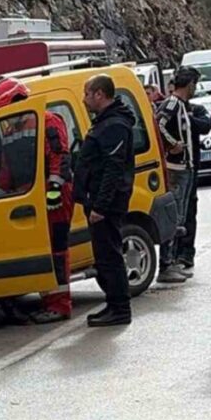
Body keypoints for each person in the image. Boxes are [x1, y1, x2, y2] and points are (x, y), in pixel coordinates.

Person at [0, 77, 75, 323]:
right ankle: (49, 300)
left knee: (57, 251)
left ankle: (60, 305)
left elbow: (60, 156)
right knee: (41, 251)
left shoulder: (47, 120)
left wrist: (54, 191)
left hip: (53, 197)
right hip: (30, 199)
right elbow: (7, 170)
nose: (4, 114)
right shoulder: (10, 130)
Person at [74, 74, 135, 327]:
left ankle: (120, 309)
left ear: (100, 94)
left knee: (110, 256)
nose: (84, 99)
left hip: (106, 205)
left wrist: (100, 206)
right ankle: (113, 304)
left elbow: (113, 168)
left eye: (87, 93)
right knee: (104, 256)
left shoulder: (114, 126)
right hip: (99, 201)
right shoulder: (105, 122)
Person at [154, 67, 200, 284]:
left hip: (185, 167)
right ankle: (166, 263)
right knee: (174, 218)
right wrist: (172, 144)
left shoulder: (181, 105)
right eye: (194, 84)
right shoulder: (172, 104)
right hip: (177, 169)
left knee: (180, 217)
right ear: (189, 83)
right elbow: (159, 123)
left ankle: (170, 261)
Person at [174, 102, 211, 278]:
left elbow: (206, 126)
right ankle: (173, 254)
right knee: (176, 212)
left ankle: (186, 252)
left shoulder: (196, 109)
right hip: (174, 167)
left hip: (191, 166)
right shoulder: (169, 108)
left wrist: (188, 118)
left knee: (189, 209)